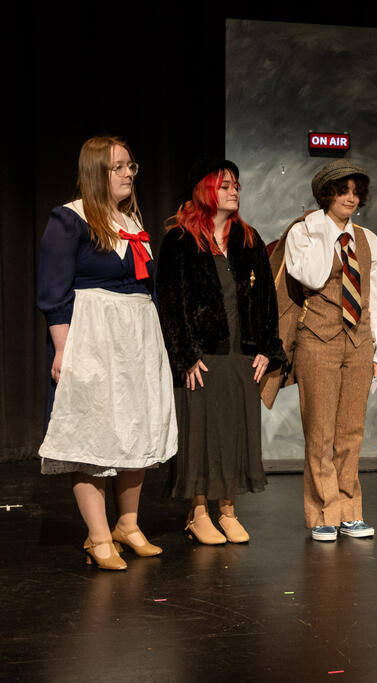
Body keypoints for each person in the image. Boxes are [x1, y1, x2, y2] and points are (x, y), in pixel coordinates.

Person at [37, 136, 176, 570]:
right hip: (93, 337)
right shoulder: (70, 219)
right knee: (92, 434)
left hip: (137, 339)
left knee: (134, 429)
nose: (129, 173)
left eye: (131, 165)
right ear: (97, 172)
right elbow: (54, 290)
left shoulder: (130, 220)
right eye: (119, 167)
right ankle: (98, 535)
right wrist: (63, 348)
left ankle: (127, 525)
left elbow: (145, 285)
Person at [260, 160, 377, 542]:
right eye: (341, 190)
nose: (350, 198)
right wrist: (322, 231)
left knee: (351, 431)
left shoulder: (367, 239)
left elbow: (376, 294)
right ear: (326, 194)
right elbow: (314, 277)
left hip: (358, 340)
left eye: (355, 191)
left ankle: (350, 510)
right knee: (319, 431)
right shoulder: (303, 232)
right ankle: (323, 512)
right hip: (317, 339)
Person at [156, 158, 284, 544]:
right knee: (199, 434)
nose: (234, 191)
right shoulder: (180, 240)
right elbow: (170, 303)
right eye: (225, 185)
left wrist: (267, 348)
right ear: (205, 190)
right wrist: (185, 354)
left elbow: (266, 300)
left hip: (239, 355)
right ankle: (198, 513)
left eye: (237, 185)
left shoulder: (248, 240)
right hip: (202, 357)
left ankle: (227, 511)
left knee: (232, 433)